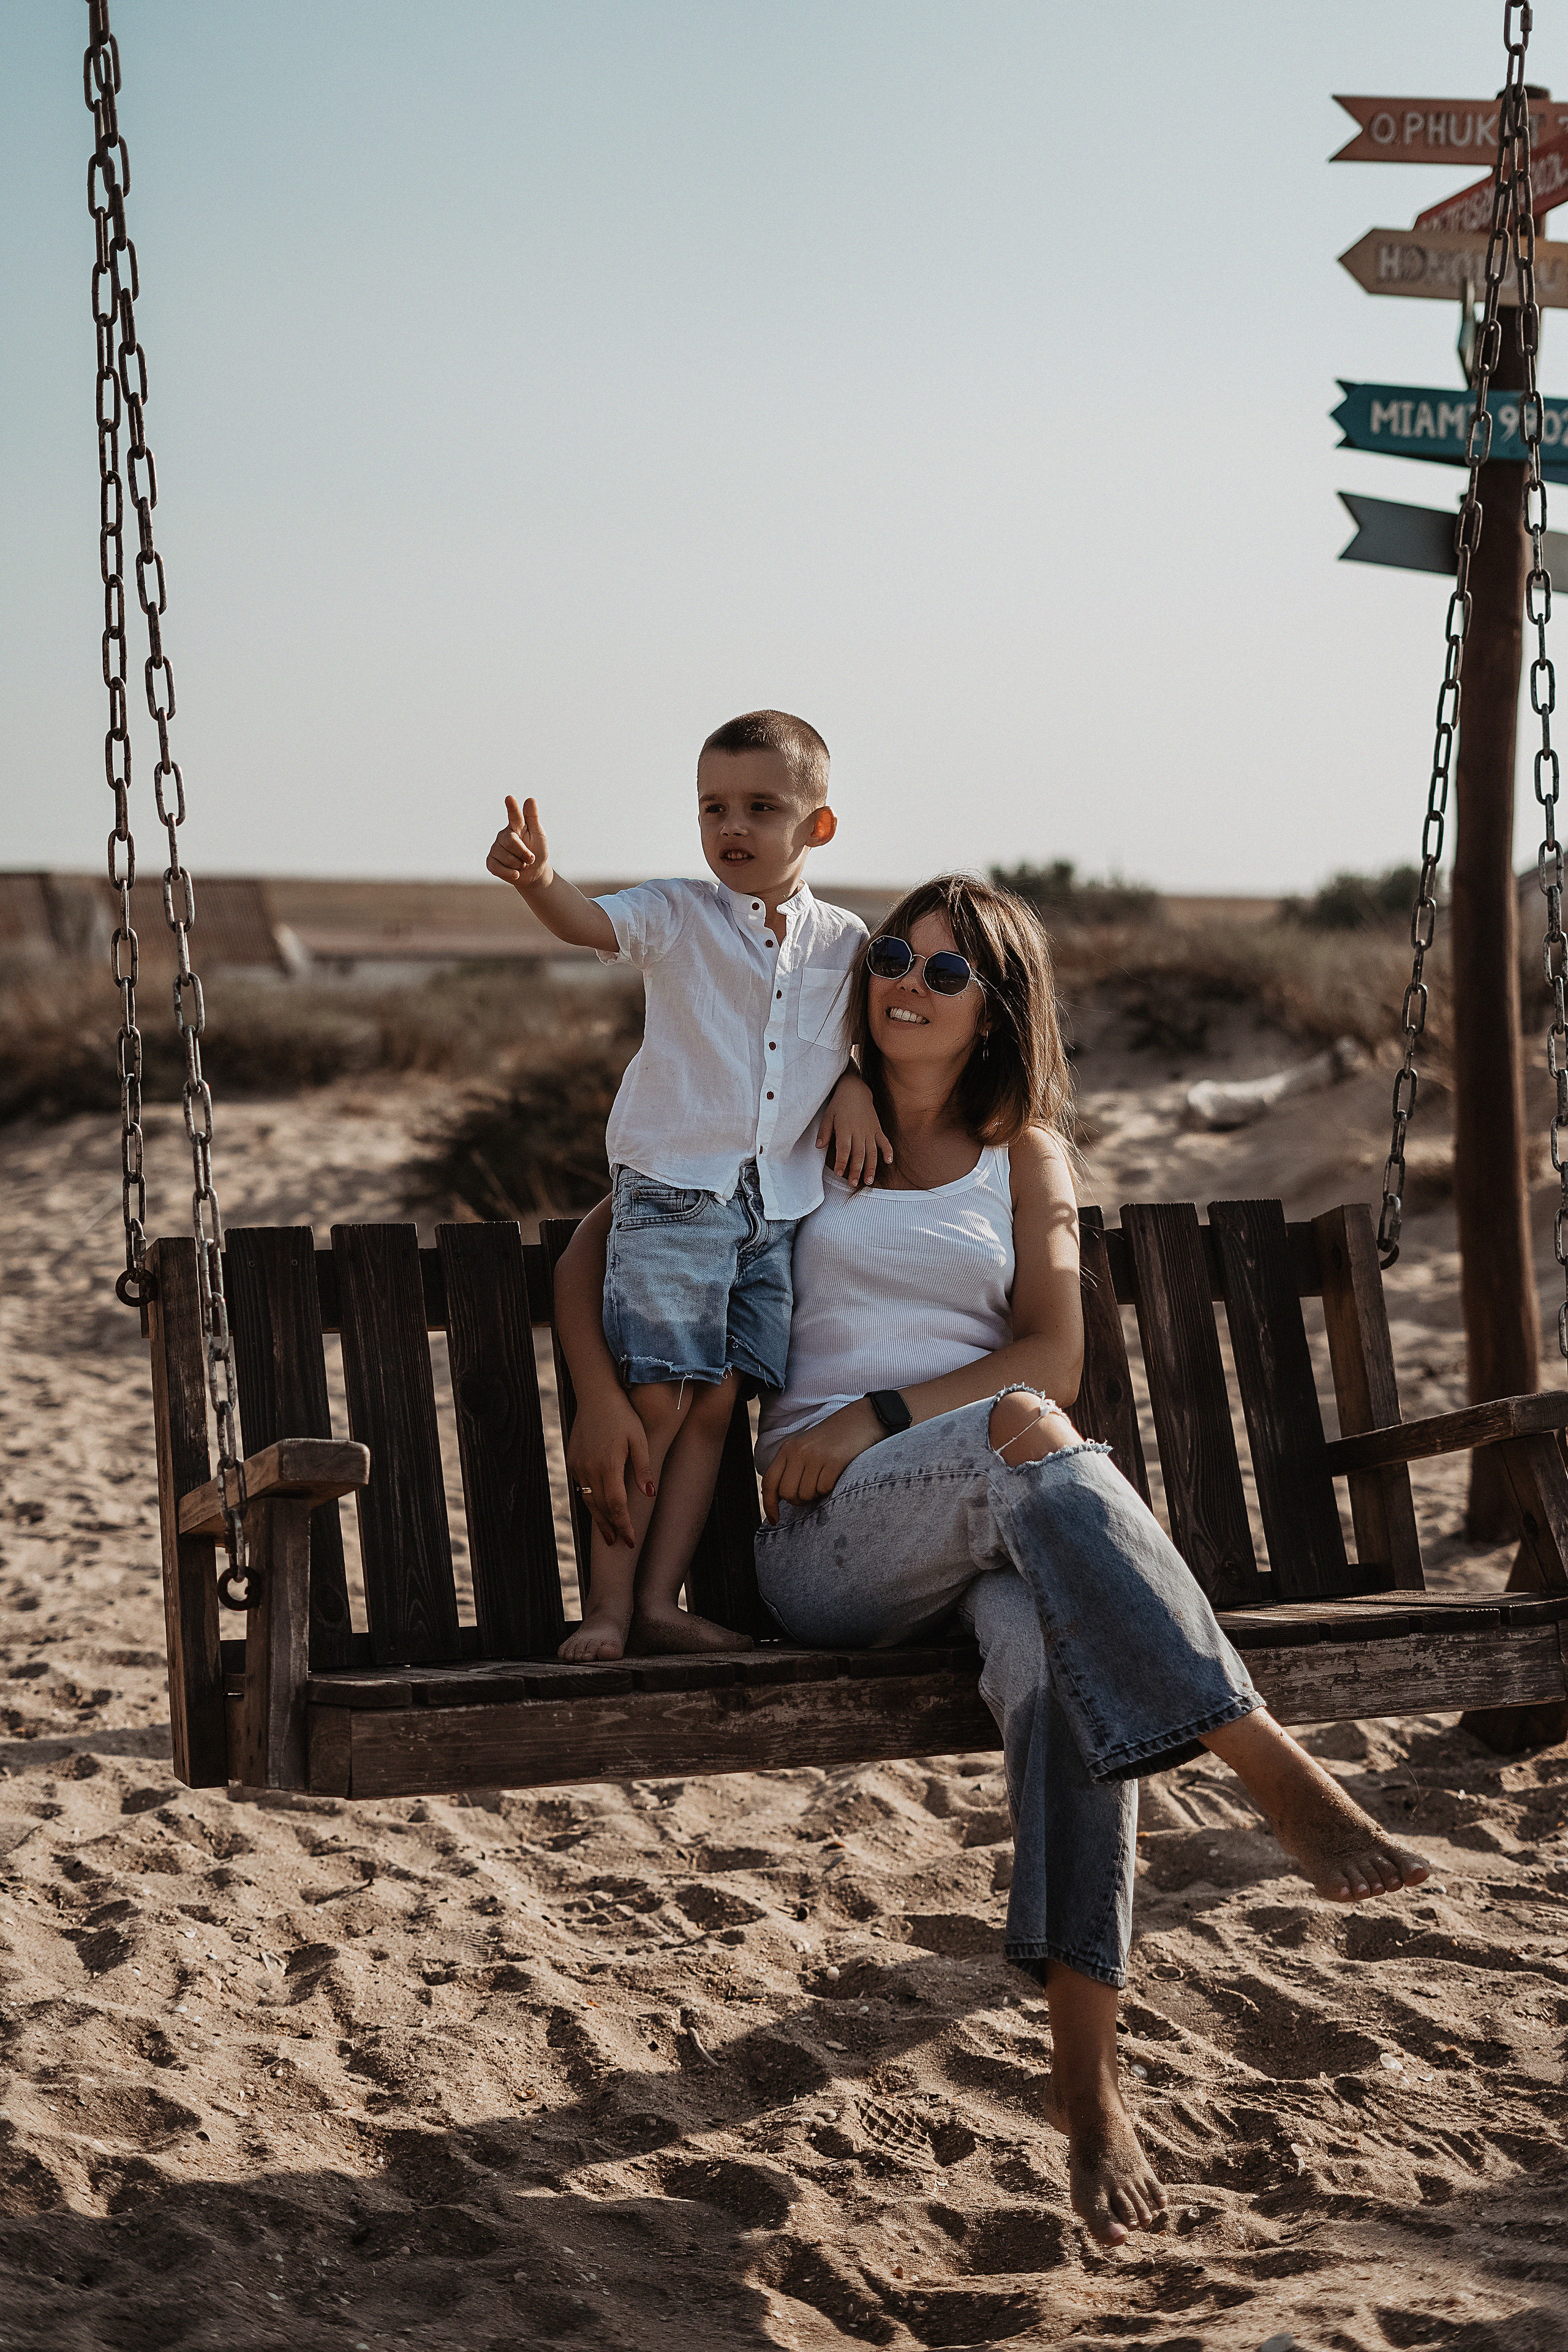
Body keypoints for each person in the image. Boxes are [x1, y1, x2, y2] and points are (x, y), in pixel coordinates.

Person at [552, 870, 1430, 2248]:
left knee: (1057, 1672)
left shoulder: (1026, 1157)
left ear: (996, 1008)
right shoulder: (797, 1124)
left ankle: (1088, 2095)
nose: (904, 979)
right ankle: (1264, 1759)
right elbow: (610, 1229)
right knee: (1026, 1431)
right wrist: (606, 1391)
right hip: (828, 1549)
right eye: (893, 953)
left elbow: (1053, 1352)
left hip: (991, 1531)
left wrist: (878, 1412)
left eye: (944, 972)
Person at [486, 709, 886, 1660]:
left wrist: (861, 1084)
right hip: (675, 1192)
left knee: (716, 1407)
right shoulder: (676, 913)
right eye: (713, 809)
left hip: (779, 1207)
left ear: (817, 826)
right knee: (661, 1401)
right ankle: (610, 1612)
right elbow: (591, 924)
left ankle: (662, 1604)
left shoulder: (848, 941)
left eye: (761, 807)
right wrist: (541, 880)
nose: (733, 828)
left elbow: (861, 1037)